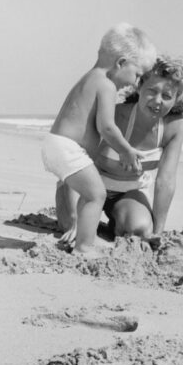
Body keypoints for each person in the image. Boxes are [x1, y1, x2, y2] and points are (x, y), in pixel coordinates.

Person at [41, 23, 157, 254]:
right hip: (68, 148)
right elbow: (107, 127)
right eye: (137, 74)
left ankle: (82, 234)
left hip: (56, 144)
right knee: (98, 195)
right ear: (121, 63)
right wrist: (126, 150)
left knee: (89, 194)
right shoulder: (106, 85)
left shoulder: (89, 78)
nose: (135, 83)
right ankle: (84, 247)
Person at [96, 54, 183, 239]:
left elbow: (166, 180)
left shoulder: (175, 126)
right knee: (70, 224)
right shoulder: (115, 115)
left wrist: (158, 231)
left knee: (140, 231)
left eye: (166, 96)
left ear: (177, 98)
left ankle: (118, 221)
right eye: (152, 91)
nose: (157, 101)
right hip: (92, 186)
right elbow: (81, 156)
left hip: (128, 193)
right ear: (139, 86)